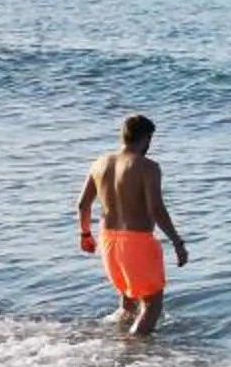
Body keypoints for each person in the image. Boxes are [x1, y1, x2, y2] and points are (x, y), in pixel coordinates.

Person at [76, 113, 189, 338]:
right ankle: (132, 349)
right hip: (137, 241)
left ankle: (118, 338)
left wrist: (85, 234)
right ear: (146, 138)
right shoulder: (148, 167)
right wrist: (177, 242)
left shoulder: (99, 163)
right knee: (152, 305)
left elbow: (82, 205)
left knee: (128, 300)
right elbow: (156, 209)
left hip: (108, 239)